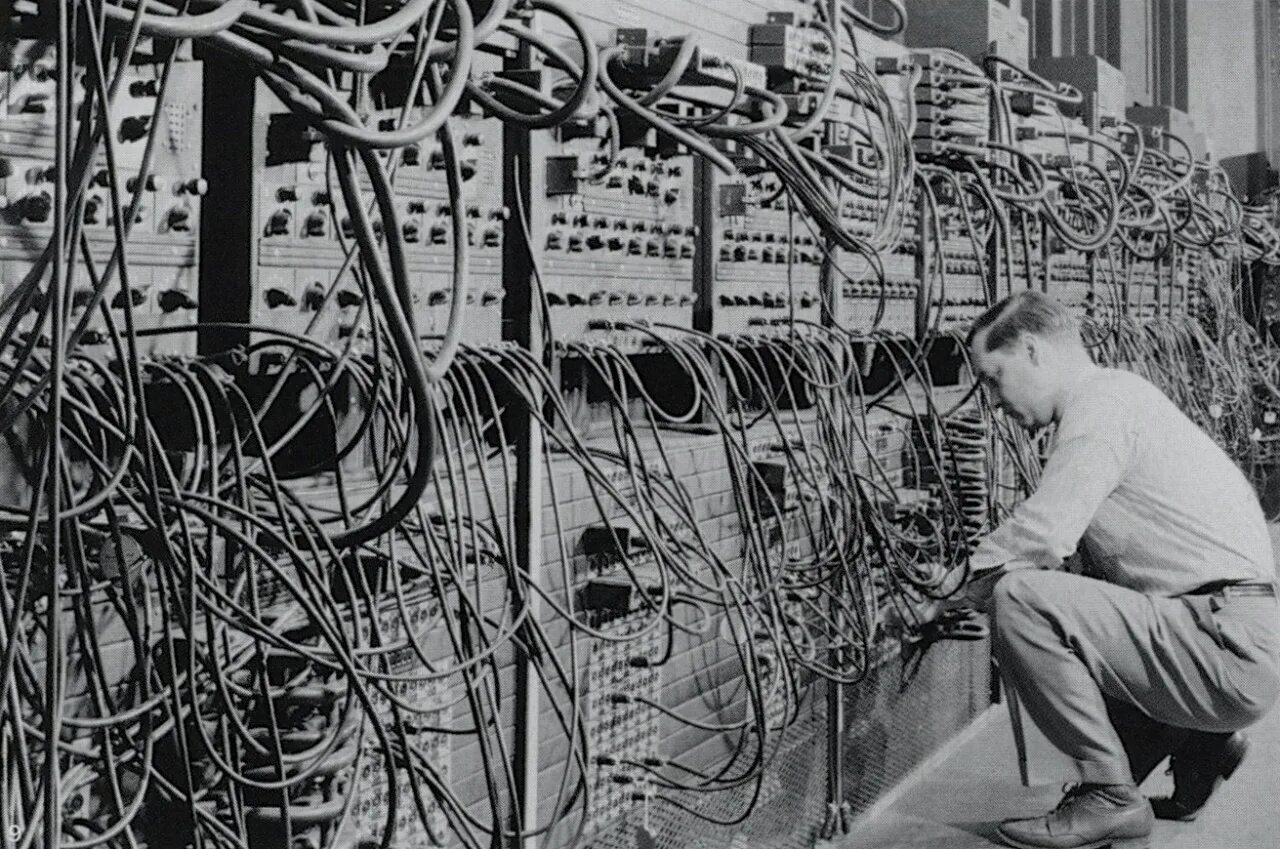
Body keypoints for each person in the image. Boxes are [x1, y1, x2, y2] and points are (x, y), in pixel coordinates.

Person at [952, 291, 1280, 849]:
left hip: (1224, 648)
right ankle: (1200, 745)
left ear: (1032, 350)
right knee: (1069, 592)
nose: (995, 402)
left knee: (1020, 598)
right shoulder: (1120, 396)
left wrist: (949, 591)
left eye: (994, 378)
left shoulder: (1098, 410)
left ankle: (1108, 795)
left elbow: (1042, 536)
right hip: (1229, 636)